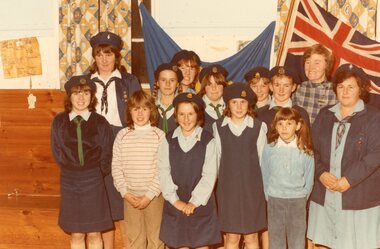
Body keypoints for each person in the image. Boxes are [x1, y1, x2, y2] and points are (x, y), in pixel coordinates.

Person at [307, 64, 380, 249]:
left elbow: (375, 155)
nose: (345, 92)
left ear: (360, 89)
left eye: (351, 87)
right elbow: (310, 149)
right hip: (325, 194)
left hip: (358, 195)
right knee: (324, 243)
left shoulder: (374, 117)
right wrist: (321, 173)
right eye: (340, 87)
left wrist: (348, 180)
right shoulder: (325, 115)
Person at [89, 30, 142, 249]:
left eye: (109, 54)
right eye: (99, 54)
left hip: (121, 140)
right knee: (104, 208)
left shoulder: (129, 82)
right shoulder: (85, 82)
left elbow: (139, 114)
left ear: (117, 57)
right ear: (94, 56)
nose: (104, 59)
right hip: (94, 144)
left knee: (123, 206)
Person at [51, 75, 114, 249]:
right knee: (77, 233)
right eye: (76, 93)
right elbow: (57, 151)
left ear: (92, 97)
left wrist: (95, 172)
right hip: (70, 181)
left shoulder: (100, 122)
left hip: (93, 180)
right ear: (69, 97)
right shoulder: (59, 121)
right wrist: (70, 169)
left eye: (86, 93)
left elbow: (107, 153)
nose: (81, 98)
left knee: (94, 232)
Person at [158, 93, 221, 249]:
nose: (186, 119)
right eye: (182, 114)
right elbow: (163, 171)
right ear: (176, 115)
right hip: (176, 202)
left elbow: (209, 175)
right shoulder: (167, 139)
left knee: (201, 245)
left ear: (198, 115)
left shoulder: (208, 140)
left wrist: (194, 201)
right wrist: (175, 200)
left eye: (190, 114)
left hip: (200, 204)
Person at [213, 83, 267, 249]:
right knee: (232, 238)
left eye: (243, 102)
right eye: (234, 102)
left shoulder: (259, 127)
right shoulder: (218, 127)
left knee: (251, 237)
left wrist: (265, 193)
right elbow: (216, 160)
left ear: (249, 105)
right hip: (228, 191)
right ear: (228, 104)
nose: (238, 107)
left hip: (252, 191)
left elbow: (263, 162)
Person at [112, 90, 165, 249]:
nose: (140, 113)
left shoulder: (159, 135)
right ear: (129, 111)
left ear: (152, 111)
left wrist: (149, 195)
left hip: (154, 196)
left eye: (144, 108)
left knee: (156, 240)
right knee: (135, 240)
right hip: (130, 197)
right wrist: (125, 193)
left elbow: (163, 169)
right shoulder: (122, 135)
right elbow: (116, 167)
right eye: (135, 109)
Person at [261, 107, 314, 249]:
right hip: (275, 200)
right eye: (280, 124)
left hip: (297, 201)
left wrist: (302, 197)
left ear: (297, 126)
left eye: (289, 124)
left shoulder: (305, 151)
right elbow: (265, 174)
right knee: (276, 240)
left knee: (297, 241)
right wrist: (270, 195)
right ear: (275, 126)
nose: (284, 128)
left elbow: (309, 179)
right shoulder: (269, 149)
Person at [292, 43, 337, 124]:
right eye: (308, 62)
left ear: (326, 65)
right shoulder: (299, 89)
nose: (311, 67)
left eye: (317, 63)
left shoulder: (335, 91)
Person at [152, 63, 183, 134]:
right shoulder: (150, 107)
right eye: (163, 80)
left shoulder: (183, 108)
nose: (167, 84)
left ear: (178, 84)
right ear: (157, 83)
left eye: (172, 80)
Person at [198, 64, 228, 134]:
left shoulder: (232, 106)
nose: (214, 88)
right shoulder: (196, 107)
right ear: (204, 87)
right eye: (209, 84)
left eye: (218, 84)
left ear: (224, 86)